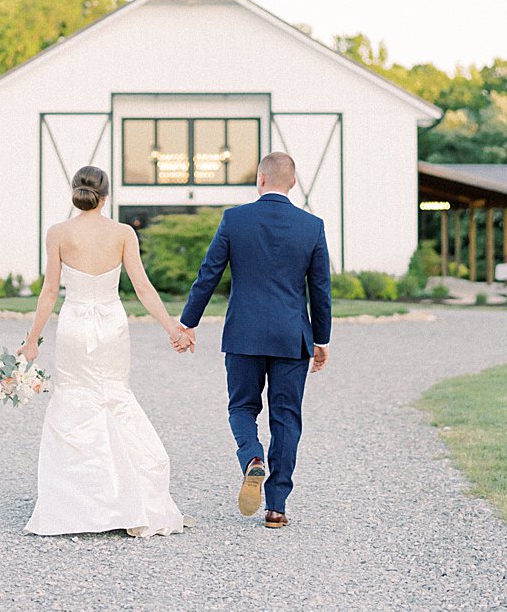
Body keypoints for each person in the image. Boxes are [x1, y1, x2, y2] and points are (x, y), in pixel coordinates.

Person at [19, 166, 190, 538]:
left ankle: (77, 505)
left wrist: (31, 340)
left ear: (75, 194)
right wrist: (171, 327)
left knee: (74, 402)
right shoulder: (123, 233)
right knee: (114, 398)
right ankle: (129, 500)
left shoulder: (58, 233)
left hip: (75, 326)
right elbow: (143, 288)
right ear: (106, 195)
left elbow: (50, 292)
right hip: (111, 326)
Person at [176, 151, 332, 530]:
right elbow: (321, 289)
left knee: (242, 408)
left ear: (260, 180)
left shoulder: (235, 219)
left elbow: (208, 274)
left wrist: (187, 323)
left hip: (244, 334)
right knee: (286, 418)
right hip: (291, 338)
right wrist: (321, 339)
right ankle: (276, 507)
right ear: (292, 183)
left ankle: (252, 458)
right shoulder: (312, 226)